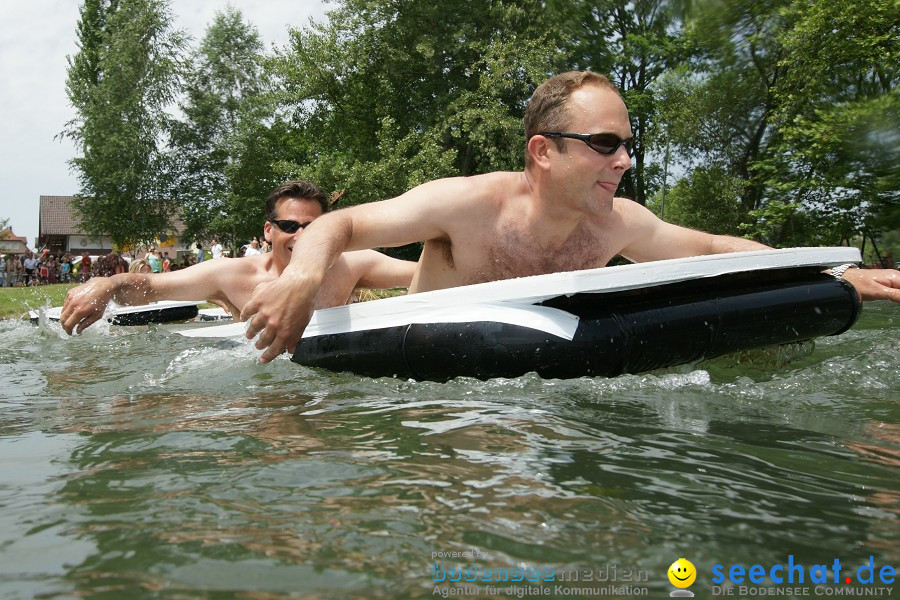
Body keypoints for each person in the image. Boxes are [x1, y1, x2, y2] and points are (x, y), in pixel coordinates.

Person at [240, 70, 900, 363]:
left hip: (542, 378)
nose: (625, 161)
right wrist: (300, 280)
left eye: (627, 144)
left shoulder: (616, 223)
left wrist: (836, 271)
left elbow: (718, 246)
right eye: (605, 144)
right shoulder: (468, 203)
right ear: (544, 152)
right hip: (425, 385)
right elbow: (342, 224)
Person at [60, 180, 417, 335]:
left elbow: (421, 274)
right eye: (289, 225)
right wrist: (107, 284)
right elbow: (150, 286)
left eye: (314, 227)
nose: (301, 236)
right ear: (268, 231)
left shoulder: (352, 264)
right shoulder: (231, 275)